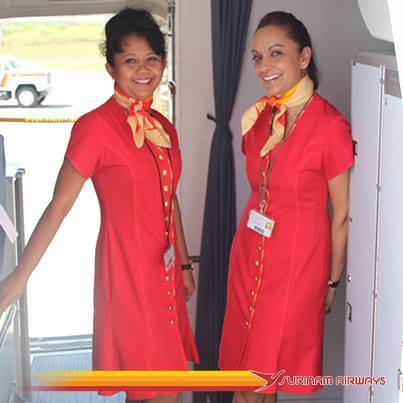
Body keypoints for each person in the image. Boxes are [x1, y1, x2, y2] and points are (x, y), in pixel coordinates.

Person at [0, 8, 199, 402]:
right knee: (157, 390)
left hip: (165, 279)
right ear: (111, 69)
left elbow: (169, 195)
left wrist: (184, 264)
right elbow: (59, 205)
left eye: (152, 59)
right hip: (128, 277)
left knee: (164, 387)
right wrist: (17, 281)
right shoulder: (95, 127)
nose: (143, 70)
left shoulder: (163, 126)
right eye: (130, 60)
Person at [218, 11, 354, 403]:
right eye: (257, 57)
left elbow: (341, 216)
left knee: (251, 387)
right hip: (247, 260)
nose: (264, 66)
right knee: (258, 382)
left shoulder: (330, 127)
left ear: (304, 57)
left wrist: (330, 283)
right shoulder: (260, 118)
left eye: (276, 53)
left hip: (295, 272)